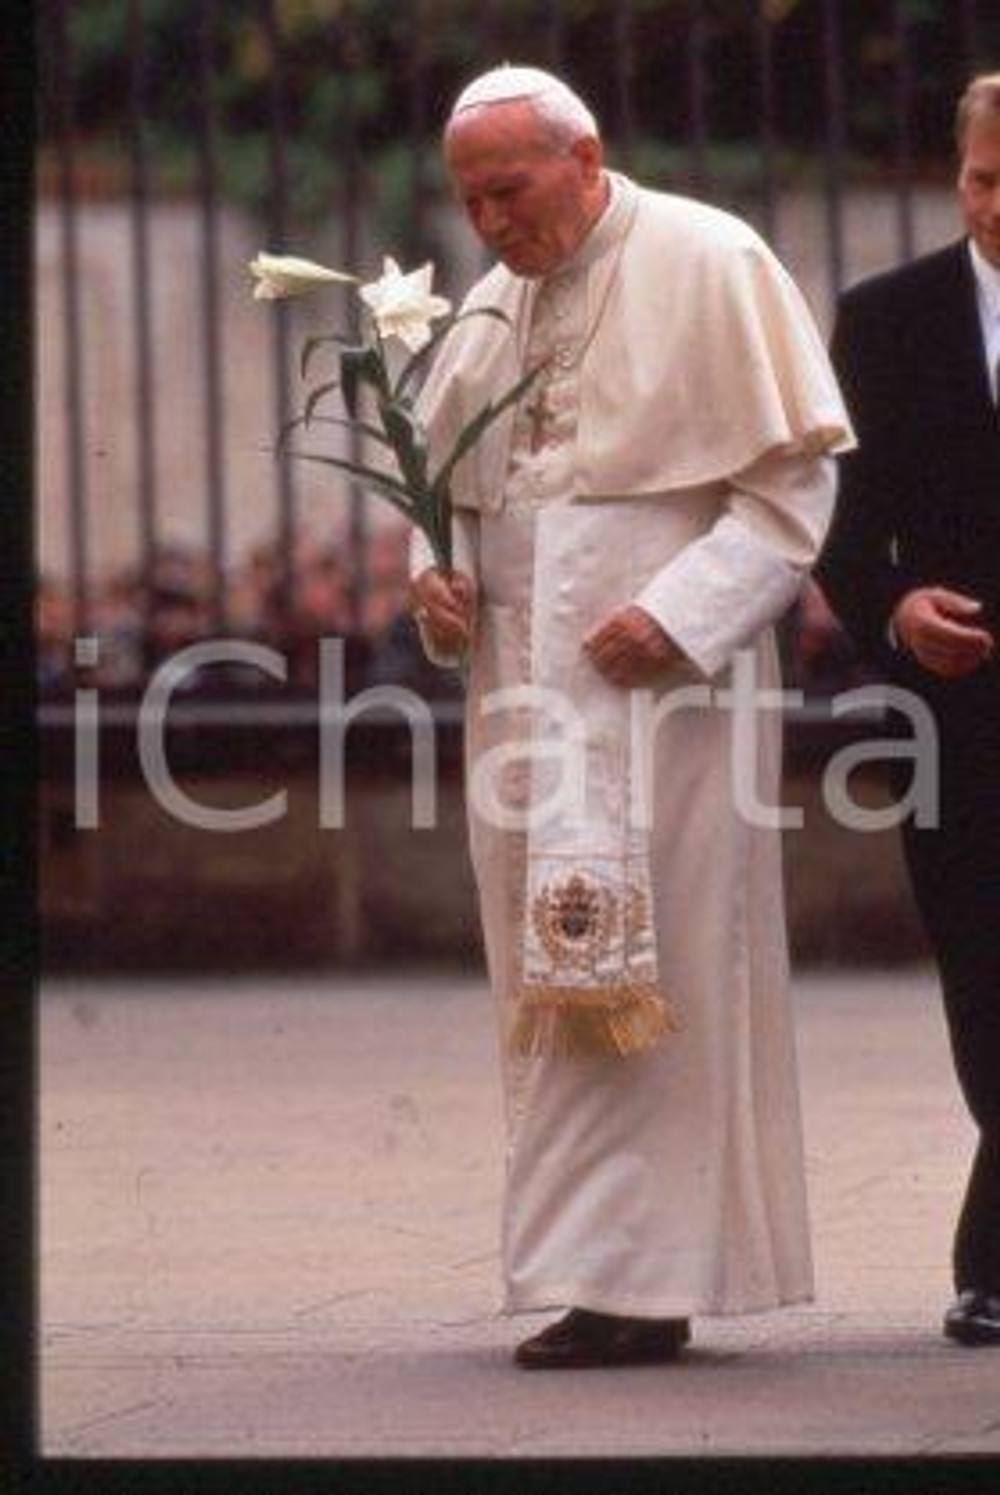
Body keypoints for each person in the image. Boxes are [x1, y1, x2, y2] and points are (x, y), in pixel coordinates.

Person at [410, 64, 853, 1369]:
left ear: (585, 155)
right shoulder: (491, 309)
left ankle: (650, 1279)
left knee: (662, 978)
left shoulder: (713, 259)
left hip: (671, 701)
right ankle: (579, 1266)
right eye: (472, 199)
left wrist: (683, 611)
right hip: (531, 713)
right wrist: (434, 577)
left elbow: (787, 493)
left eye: (512, 188)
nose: (491, 222)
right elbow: (454, 504)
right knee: (552, 987)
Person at [816, 74, 1000, 1348]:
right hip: (956, 713)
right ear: (957, 173)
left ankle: (991, 1256)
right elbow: (830, 522)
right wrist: (894, 610)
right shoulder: (883, 320)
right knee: (984, 980)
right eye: (987, 180)